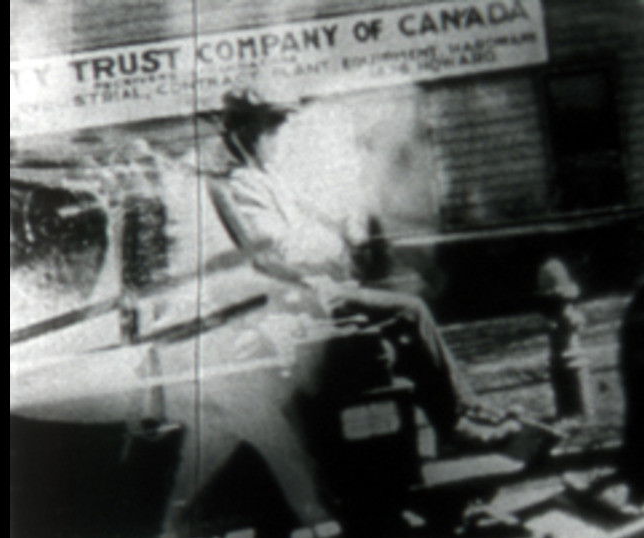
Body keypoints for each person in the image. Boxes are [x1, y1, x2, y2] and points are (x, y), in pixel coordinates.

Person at [211, 87, 522, 449]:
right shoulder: (242, 186)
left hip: (313, 289)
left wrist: (340, 228)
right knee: (411, 311)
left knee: (403, 318)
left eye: (279, 126)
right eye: (273, 127)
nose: (279, 137)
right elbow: (277, 252)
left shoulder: (266, 179)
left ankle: (461, 414)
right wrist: (332, 244)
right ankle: (457, 422)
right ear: (247, 133)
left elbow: (317, 224)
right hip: (297, 299)